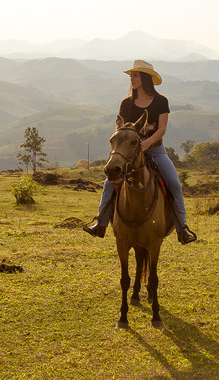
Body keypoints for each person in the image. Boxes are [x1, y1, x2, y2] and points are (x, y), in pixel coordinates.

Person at [83, 59, 197, 244]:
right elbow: (121, 128)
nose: (132, 79)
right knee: (109, 184)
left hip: (156, 150)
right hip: (129, 153)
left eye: (135, 75)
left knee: (175, 185)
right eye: (131, 76)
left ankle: (182, 228)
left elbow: (162, 128)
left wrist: (147, 143)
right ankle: (100, 224)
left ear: (145, 78)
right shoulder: (126, 103)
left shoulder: (161, 101)